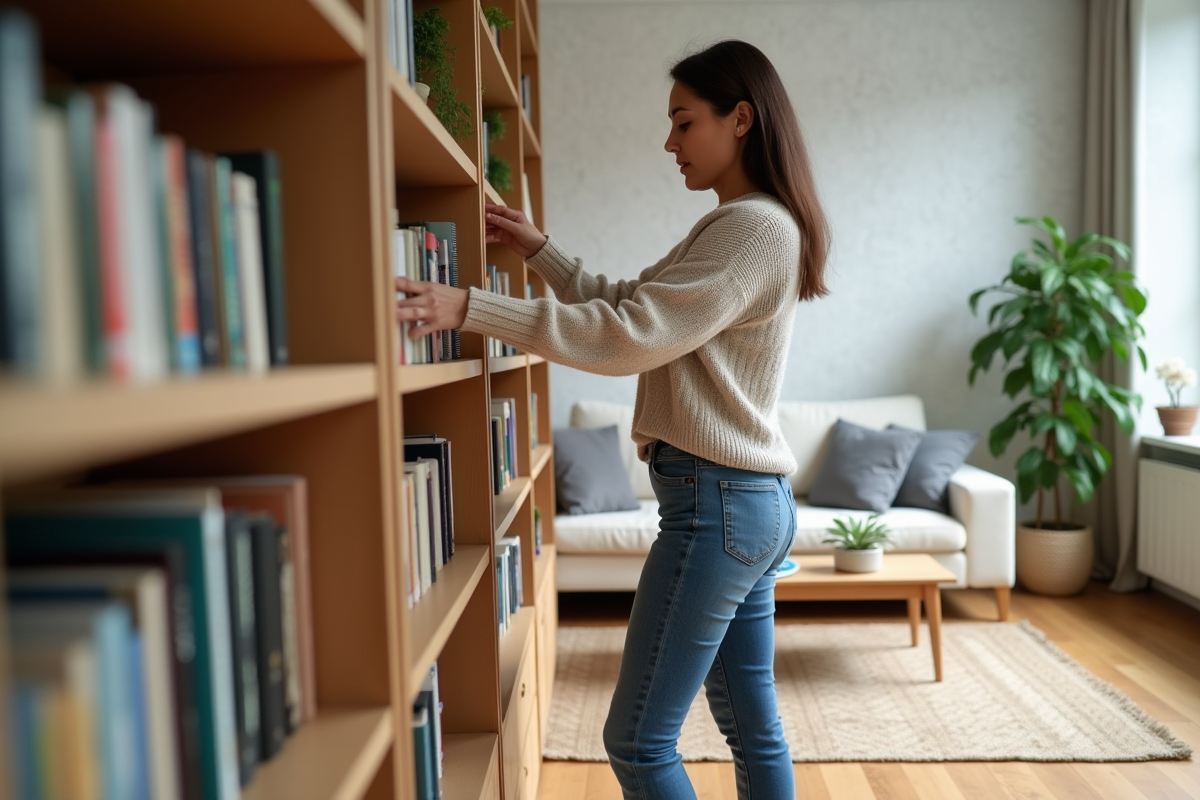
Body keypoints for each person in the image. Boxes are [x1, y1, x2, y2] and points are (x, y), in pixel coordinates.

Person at [395, 38, 830, 800]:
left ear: (740, 120)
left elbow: (630, 336)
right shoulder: (742, 223)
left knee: (636, 741)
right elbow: (637, 302)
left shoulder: (754, 228)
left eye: (682, 122)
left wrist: (472, 307)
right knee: (751, 727)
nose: (669, 142)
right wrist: (544, 254)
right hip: (747, 503)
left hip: (719, 504)